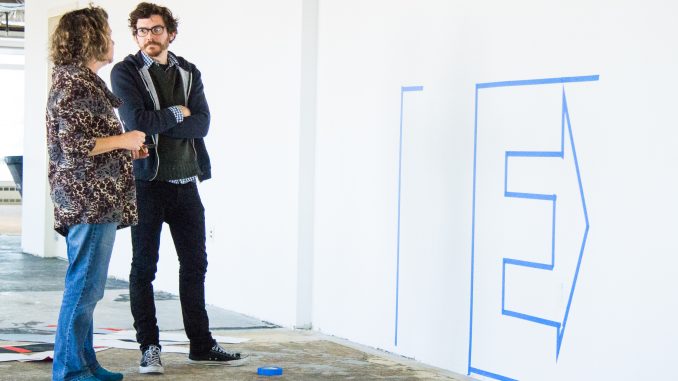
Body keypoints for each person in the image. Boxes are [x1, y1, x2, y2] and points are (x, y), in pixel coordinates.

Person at [110, 2, 246, 374]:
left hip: (187, 183)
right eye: (140, 30)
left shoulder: (189, 72)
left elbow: (201, 125)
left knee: (195, 265)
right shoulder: (125, 72)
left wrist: (167, 120)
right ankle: (149, 347)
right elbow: (136, 120)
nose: (148, 37)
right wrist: (177, 113)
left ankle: (200, 345)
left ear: (170, 33)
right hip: (148, 183)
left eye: (155, 30)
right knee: (143, 269)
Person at [47, 5, 147, 381]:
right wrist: (125, 138)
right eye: (107, 32)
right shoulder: (74, 82)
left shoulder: (80, 81)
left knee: (87, 287)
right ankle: (71, 371)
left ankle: (85, 363)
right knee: (84, 288)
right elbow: (74, 145)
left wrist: (123, 146)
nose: (113, 40)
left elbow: (85, 140)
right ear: (90, 38)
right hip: (89, 202)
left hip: (95, 199)